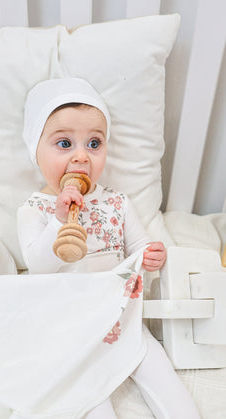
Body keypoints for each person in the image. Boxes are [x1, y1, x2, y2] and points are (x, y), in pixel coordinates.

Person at [17, 78, 200, 419]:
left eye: (94, 143)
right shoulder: (35, 209)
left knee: (165, 382)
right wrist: (59, 220)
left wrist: (152, 258)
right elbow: (38, 267)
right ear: (35, 149)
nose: (81, 156)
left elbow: (139, 248)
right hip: (70, 325)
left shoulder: (117, 202)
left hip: (121, 315)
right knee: (90, 400)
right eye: (64, 143)